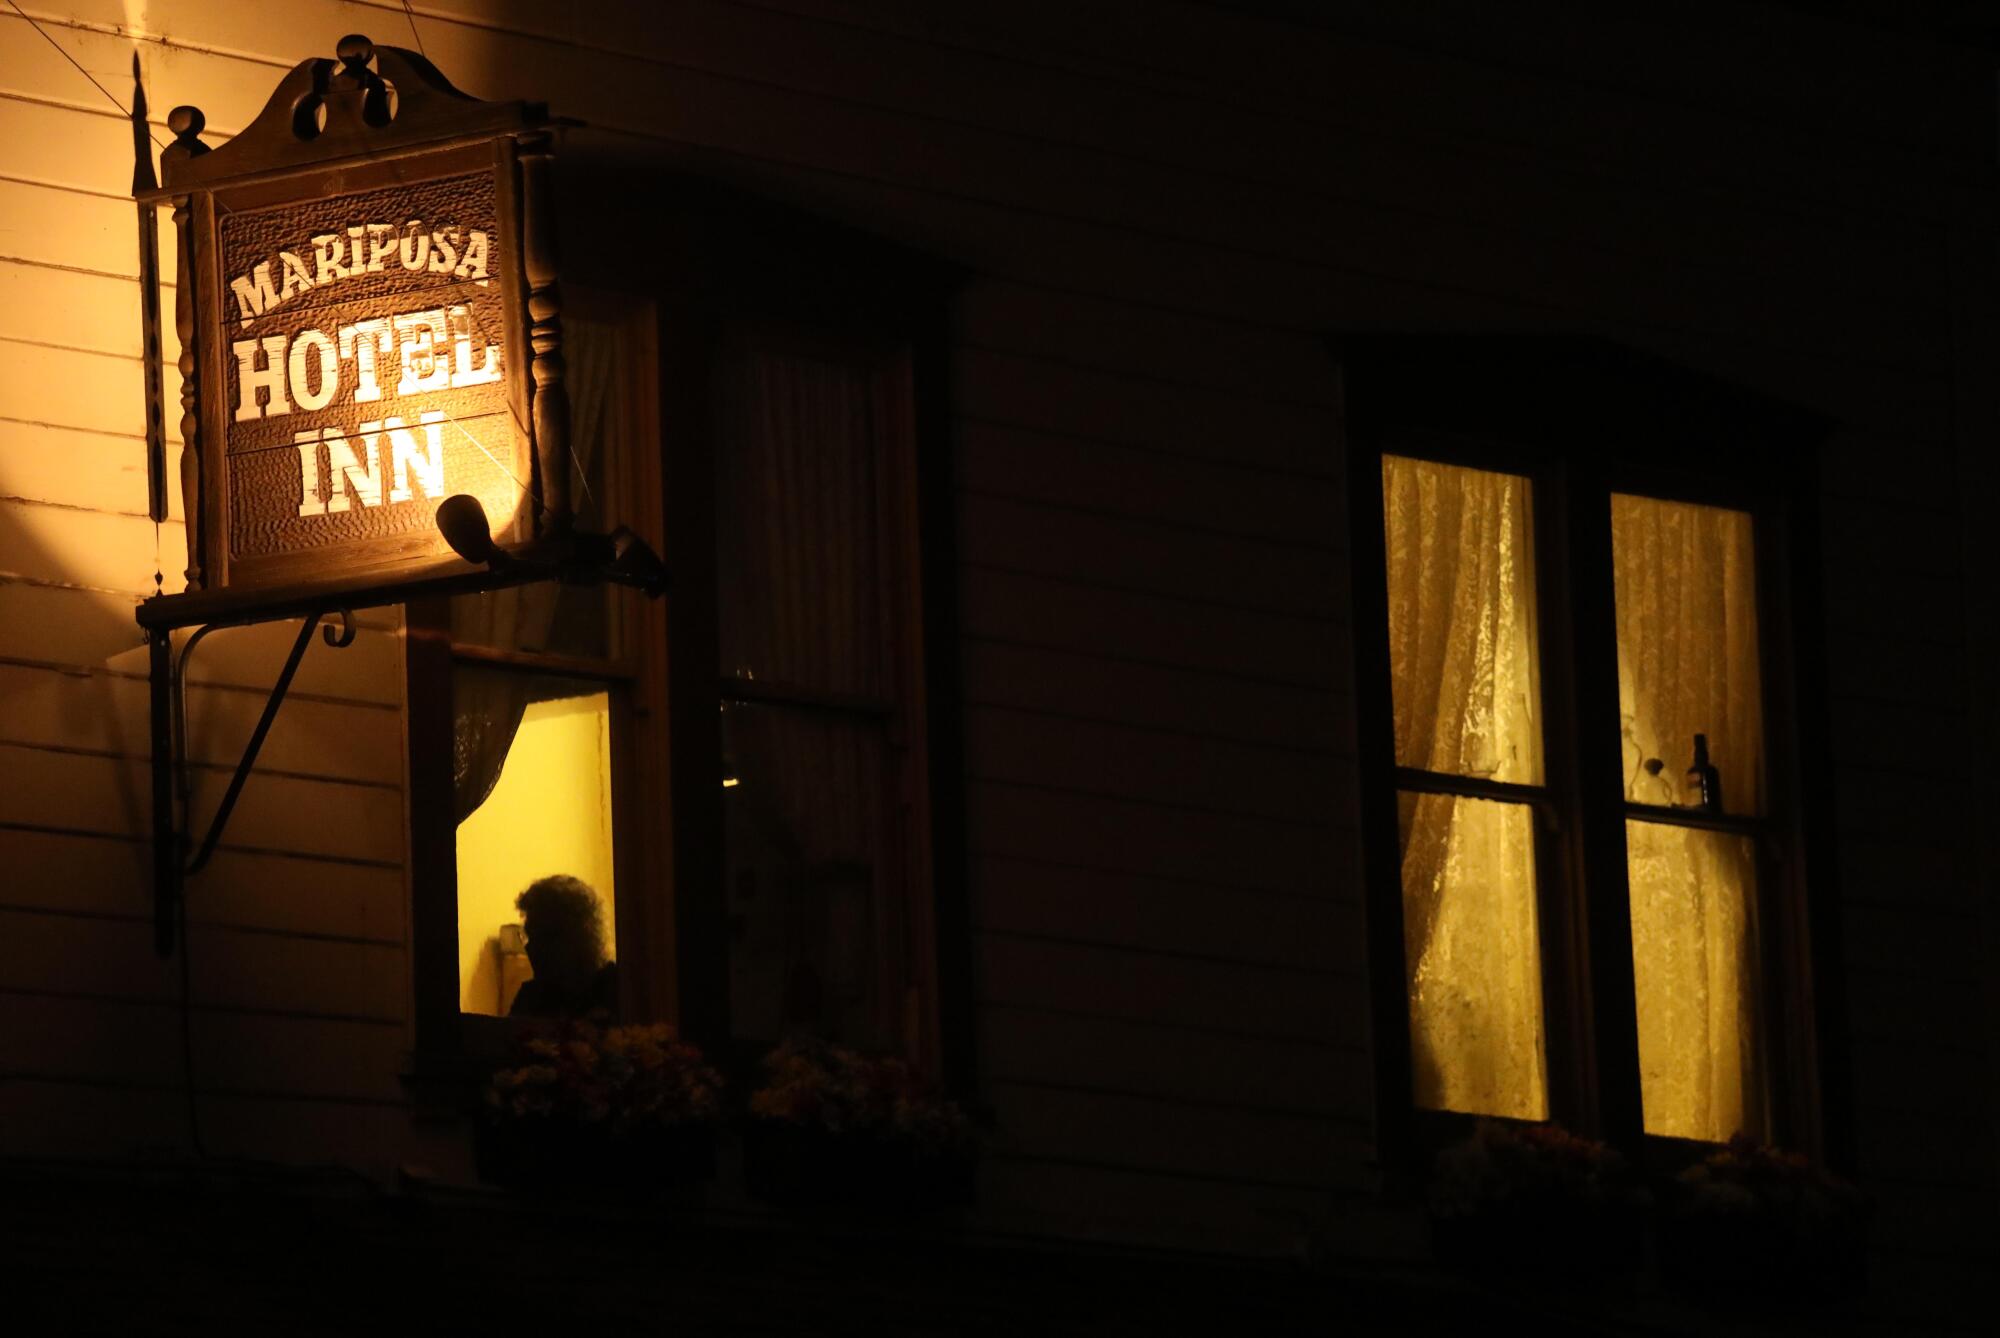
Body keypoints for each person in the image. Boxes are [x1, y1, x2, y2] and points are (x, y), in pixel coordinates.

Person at [508, 875, 619, 1020]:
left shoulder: (618, 990)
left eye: (543, 936)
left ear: (577, 936)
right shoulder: (531, 996)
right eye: (529, 936)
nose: (530, 948)